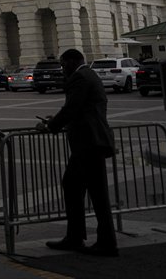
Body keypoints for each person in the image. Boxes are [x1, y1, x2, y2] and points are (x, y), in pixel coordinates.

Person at [35, 48, 118, 258]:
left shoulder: (79, 77)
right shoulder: (89, 74)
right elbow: (80, 110)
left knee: (92, 192)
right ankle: (77, 236)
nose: (62, 69)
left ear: (72, 61)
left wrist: (50, 126)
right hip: (92, 141)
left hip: (88, 143)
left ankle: (101, 242)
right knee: (77, 186)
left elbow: (72, 108)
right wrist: (56, 120)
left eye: (63, 64)